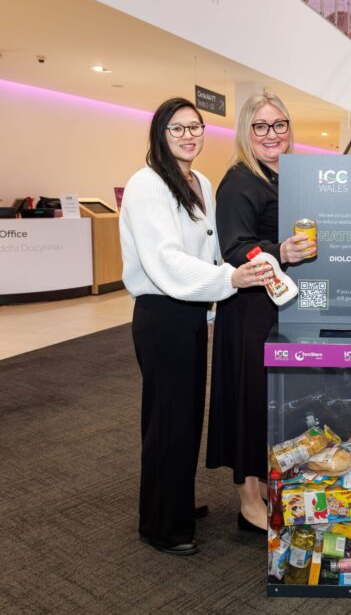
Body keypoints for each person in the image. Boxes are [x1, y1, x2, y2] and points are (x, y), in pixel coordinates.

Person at [120, 97, 268, 556]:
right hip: (161, 313)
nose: (188, 136)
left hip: (188, 310)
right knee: (168, 418)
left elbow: (207, 247)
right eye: (177, 129)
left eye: (195, 127)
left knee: (185, 416)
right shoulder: (147, 185)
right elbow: (164, 259)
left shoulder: (198, 180)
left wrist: (209, 305)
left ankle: (175, 500)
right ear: (160, 135)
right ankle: (162, 525)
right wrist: (228, 279)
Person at [206, 91, 314, 532]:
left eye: (279, 125)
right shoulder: (239, 181)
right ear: (246, 132)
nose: (272, 135)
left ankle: (269, 487)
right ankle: (249, 499)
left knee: (274, 401)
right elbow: (234, 247)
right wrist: (278, 251)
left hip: (281, 308)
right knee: (249, 400)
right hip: (249, 311)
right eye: (261, 126)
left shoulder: (289, 176)